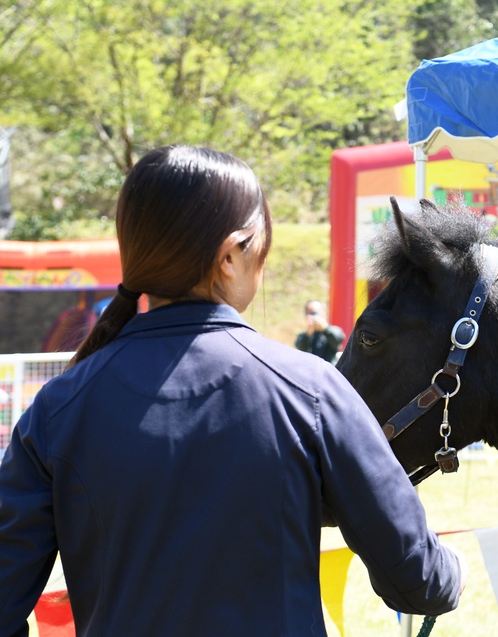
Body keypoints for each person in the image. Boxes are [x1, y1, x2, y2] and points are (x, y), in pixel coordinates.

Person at [0, 145, 467, 636]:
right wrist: (453, 567)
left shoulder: (59, 408)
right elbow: (417, 581)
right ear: (230, 256)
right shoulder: (309, 391)